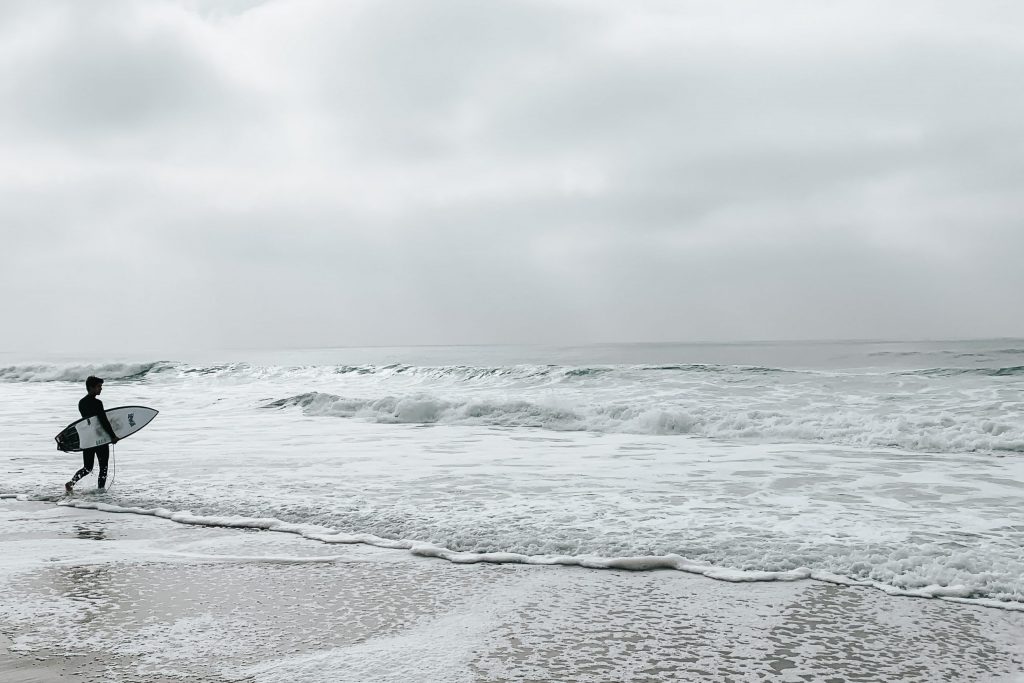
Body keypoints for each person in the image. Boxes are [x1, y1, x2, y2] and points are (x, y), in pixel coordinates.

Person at [65, 376, 119, 493]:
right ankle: (100, 491)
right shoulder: (98, 403)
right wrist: (112, 436)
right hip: (100, 438)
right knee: (103, 467)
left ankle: (71, 483)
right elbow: (103, 421)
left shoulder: (81, 403)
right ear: (91, 387)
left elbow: (86, 422)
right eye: (99, 386)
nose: (101, 389)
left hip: (88, 439)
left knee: (88, 467)